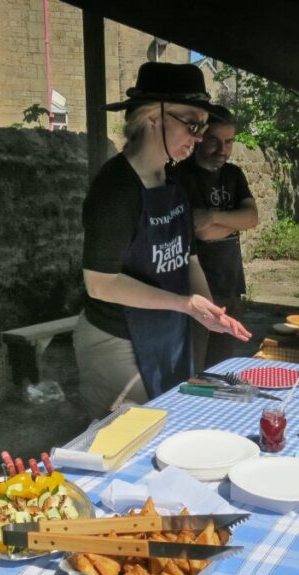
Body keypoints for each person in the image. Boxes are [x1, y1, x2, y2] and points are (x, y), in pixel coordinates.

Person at [77, 63, 251, 417]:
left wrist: (208, 310)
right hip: (117, 339)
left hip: (166, 334)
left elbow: (188, 259)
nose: (199, 136)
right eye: (192, 123)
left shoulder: (172, 183)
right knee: (139, 441)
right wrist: (185, 305)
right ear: (153, 118)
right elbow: (100, 283)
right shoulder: (115, 188)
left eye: (202, 125)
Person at [174, 105, 259, 372]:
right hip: (196, 291)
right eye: (214, 140)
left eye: (229, 142)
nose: (222, 150)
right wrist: (231, 223)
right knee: (193, 369)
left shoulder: (233, 174)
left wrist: (211, 215)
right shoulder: (179, 176)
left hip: (230, 285)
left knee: (222, 368)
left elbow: (252, 218)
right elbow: (198, 231)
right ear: (199, 137)